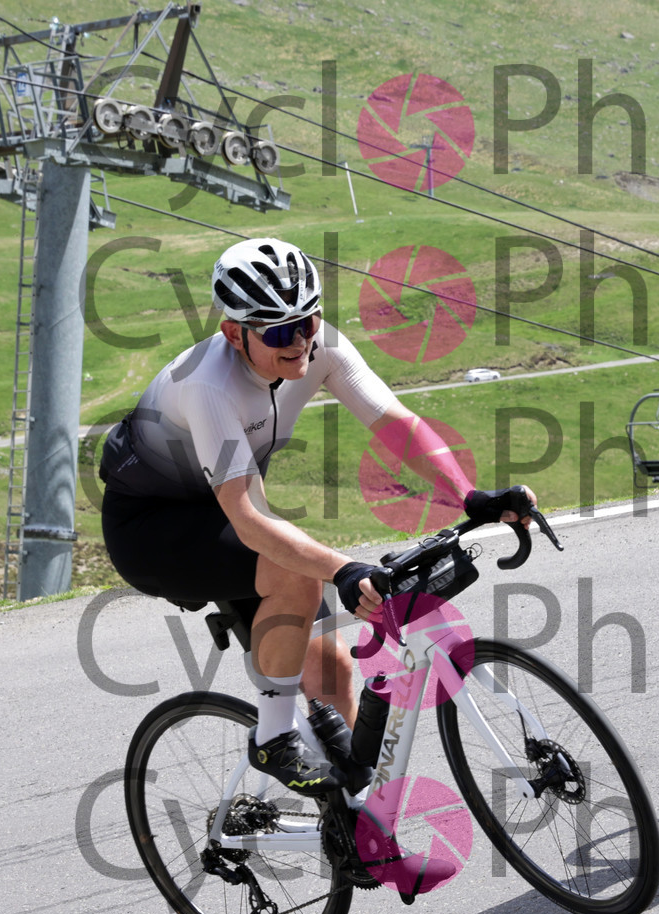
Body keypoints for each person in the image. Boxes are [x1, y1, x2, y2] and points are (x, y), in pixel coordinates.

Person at [100, 237, 533, 794]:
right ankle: (273, 739)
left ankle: (364, 816)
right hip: (154, 531)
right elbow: (249, 521)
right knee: (297, 574)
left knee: (332, 671)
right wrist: (344, 569)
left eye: (307, 322)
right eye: (280, 333)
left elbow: (394, 423)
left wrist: (468, 495)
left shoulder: (318, 346)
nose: (300, 341)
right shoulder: (207, 384)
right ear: (234, 333)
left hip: (229, 510)